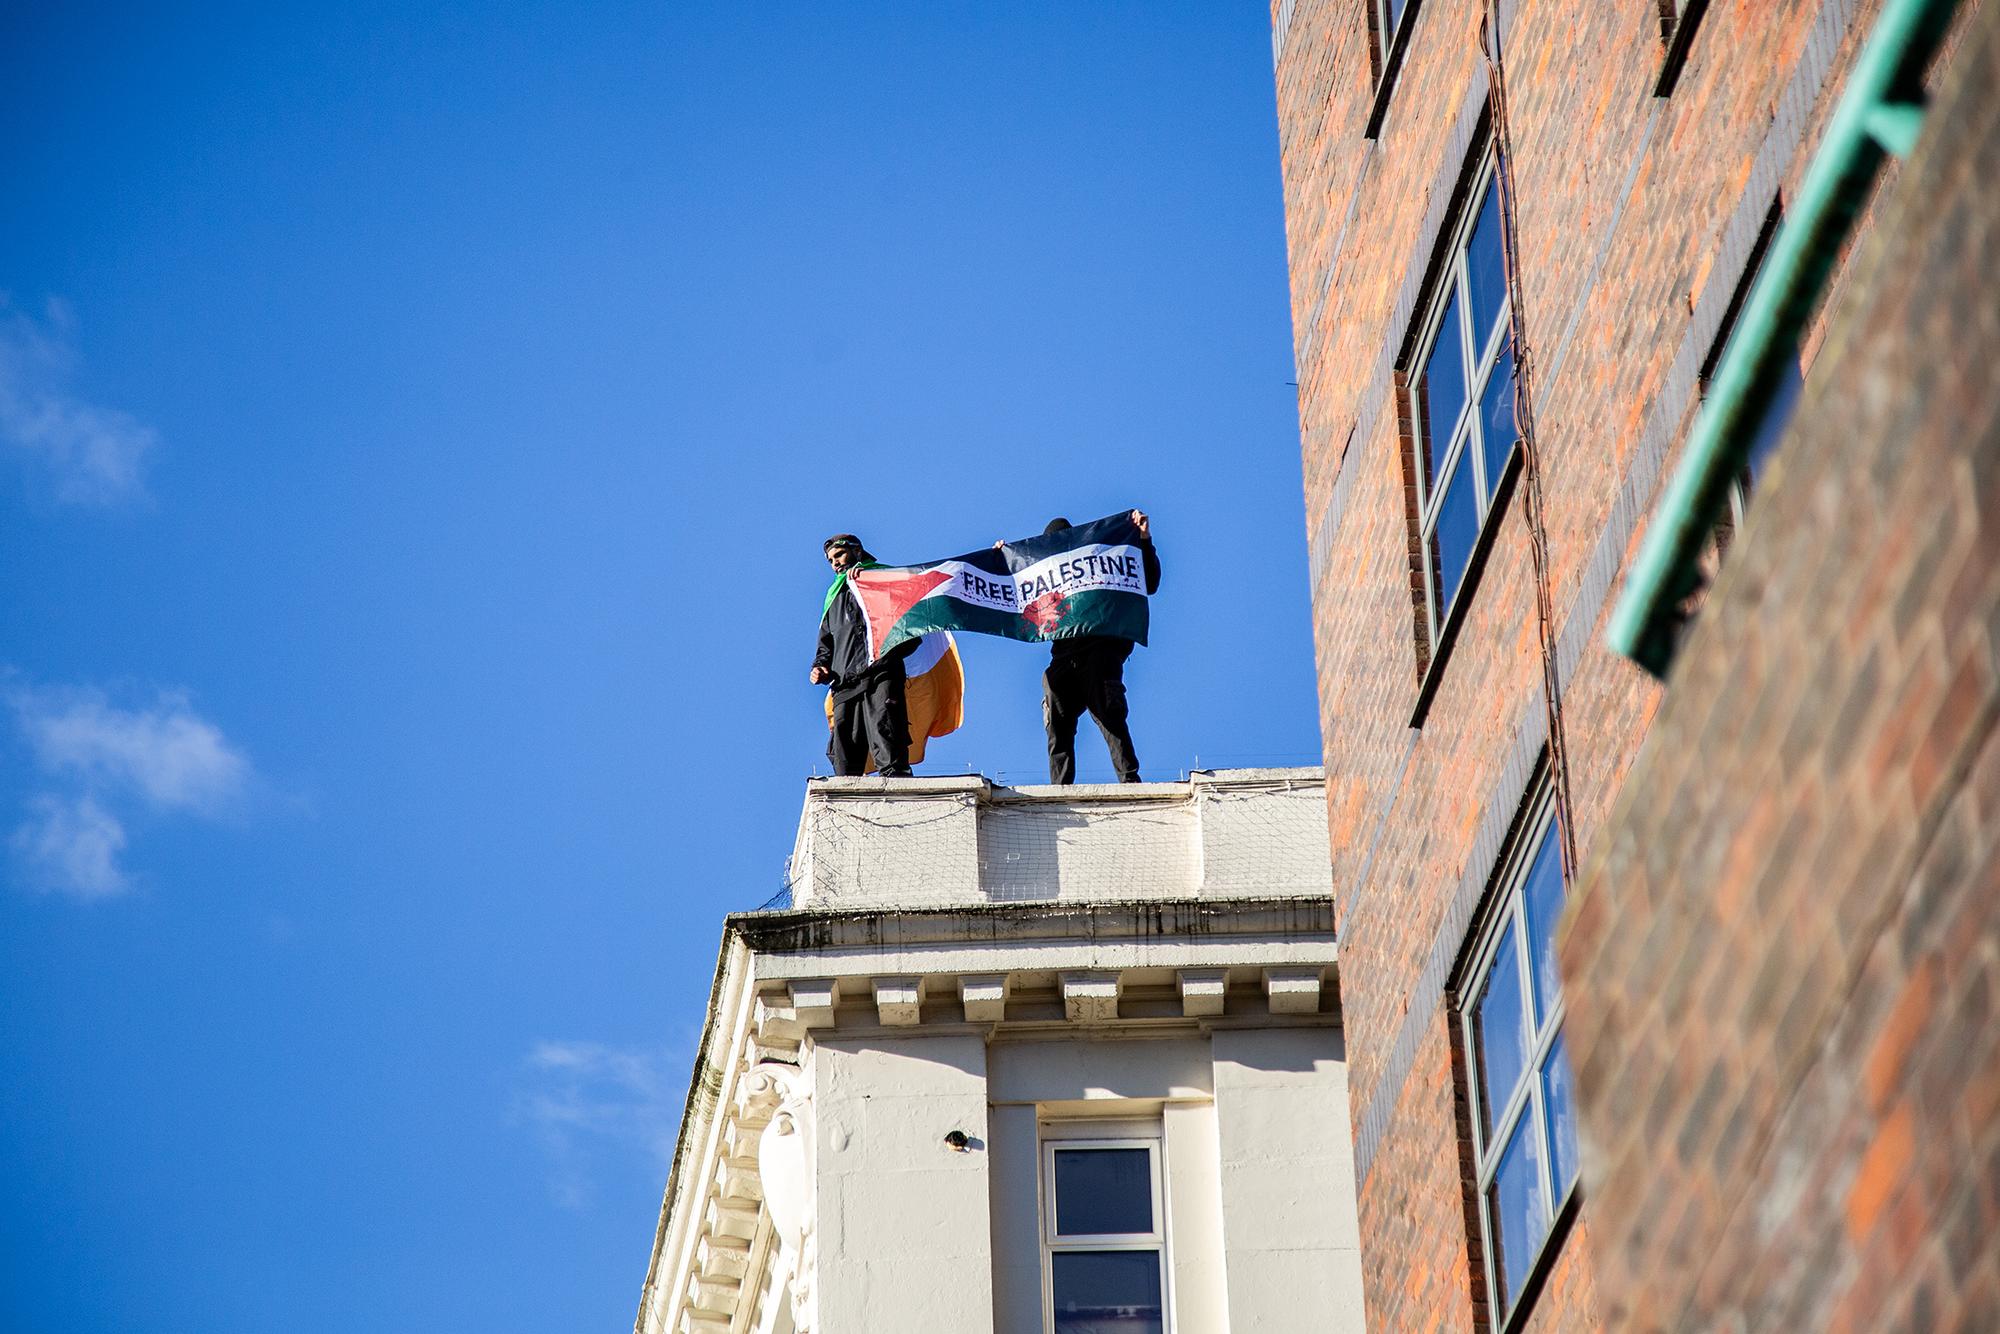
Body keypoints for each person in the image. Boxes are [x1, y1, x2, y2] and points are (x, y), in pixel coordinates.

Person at [1042, 509, 1160, 784]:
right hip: (1063, 658)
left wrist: (1142, 538)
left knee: (1111, 719)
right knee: (1058, 729)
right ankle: (1058, 792)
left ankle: (1130, 783)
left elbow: (1148, 581)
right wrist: (1001, 561)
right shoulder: (1045, 571)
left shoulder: (1097, 560)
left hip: (1100, 652)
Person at [810, 534, 916, 777]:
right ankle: (846, 801)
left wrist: (886, 655)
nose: (835, 563)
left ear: (857, 552)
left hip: (882, 672)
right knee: (844, 745)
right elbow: (826, 645)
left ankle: (897, 786)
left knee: (885, 728)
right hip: (845, 682)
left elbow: (911, 626)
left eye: (839, 555)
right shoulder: (833, 597)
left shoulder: (884, 579)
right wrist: (820, 667)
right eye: (830, 560)